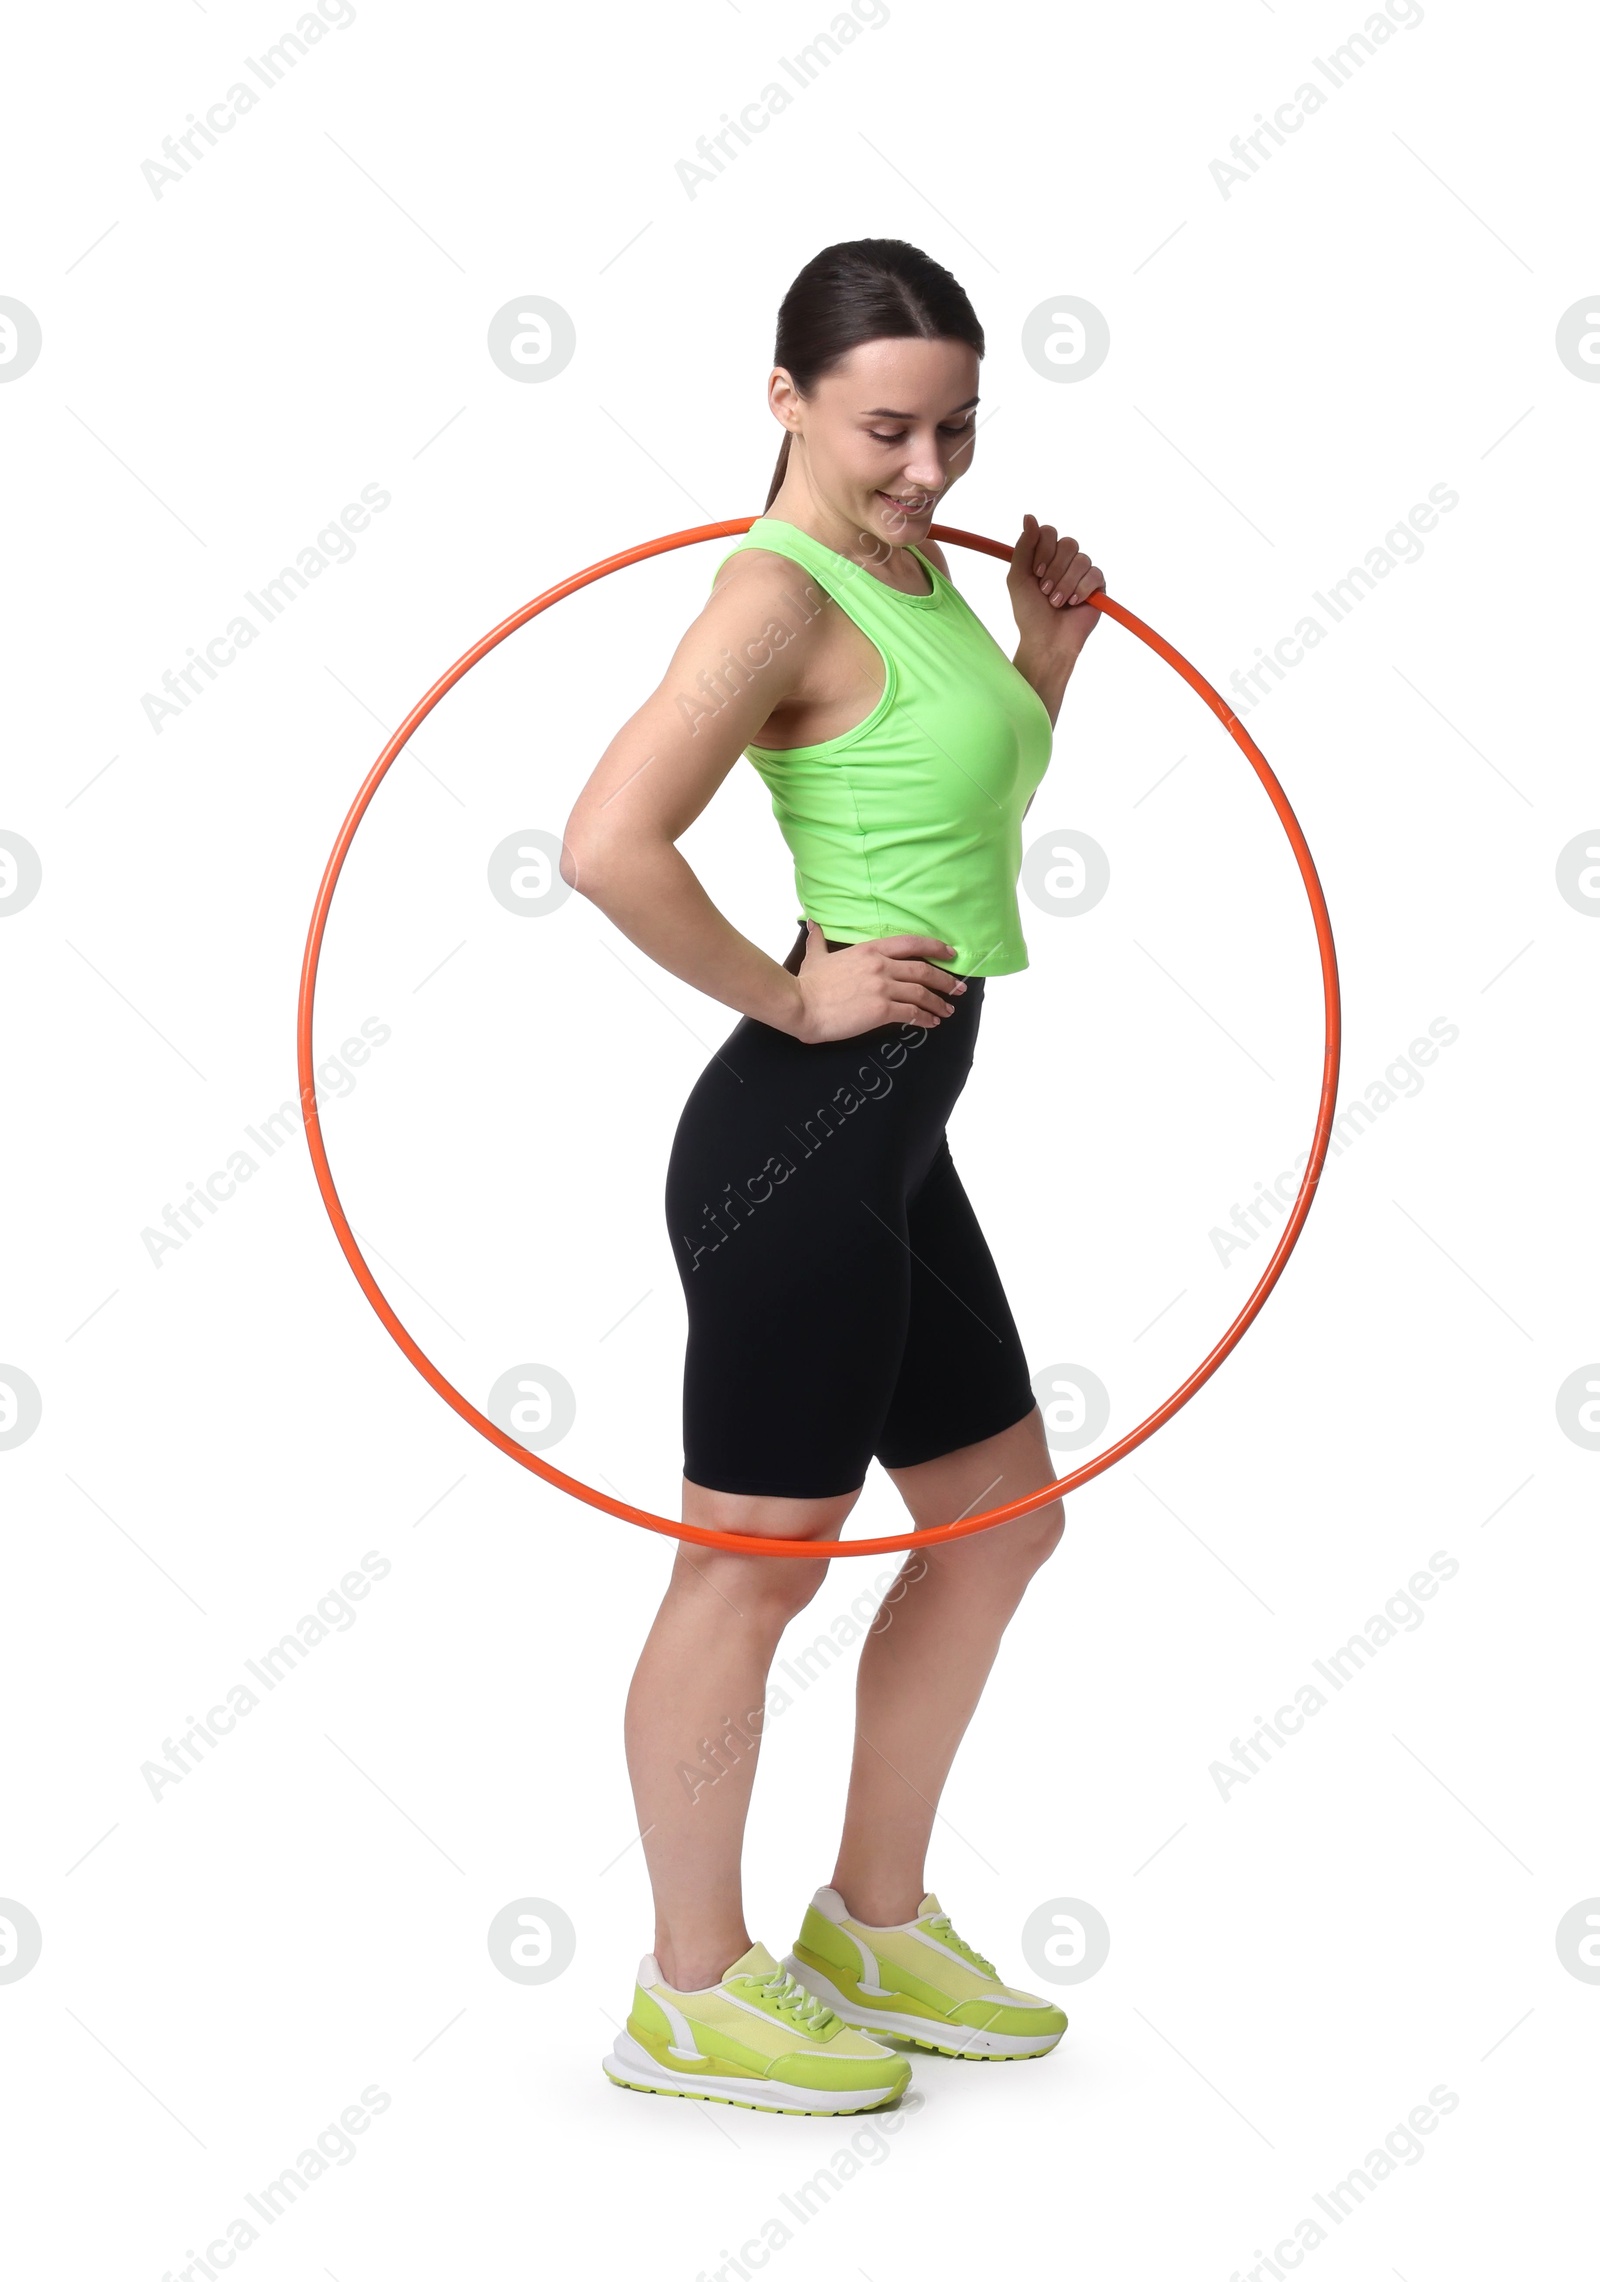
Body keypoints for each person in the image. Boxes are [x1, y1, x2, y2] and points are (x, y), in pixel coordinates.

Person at [560, 238, 1104, 2115]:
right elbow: (609, 843)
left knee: (1004, 1522)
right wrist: (792, 997)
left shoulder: (913, 577)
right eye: (888, 427)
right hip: (800, 1139)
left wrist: (1036, 660)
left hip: (897, 1137)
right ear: (783, 398)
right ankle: (690, 1984)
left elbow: (940, 805)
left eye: (958, 426)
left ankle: (872, 1919)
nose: (930, 470)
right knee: (752, 1570)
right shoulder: (771, 595)